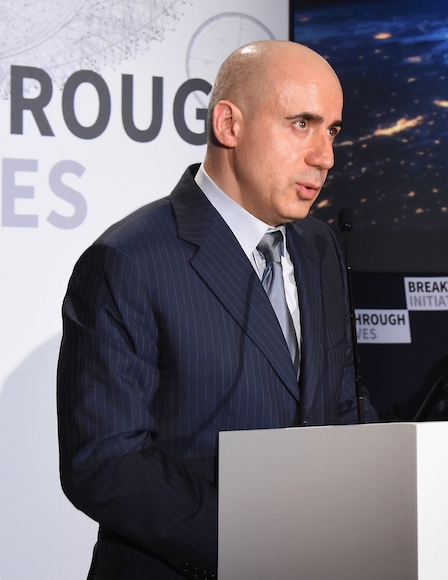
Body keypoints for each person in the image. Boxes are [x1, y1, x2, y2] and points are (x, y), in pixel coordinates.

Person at [56, 41, 377, 580]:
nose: (326, 156)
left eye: (333, 131)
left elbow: (341, 405)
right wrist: (252, 545)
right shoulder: (128, 259)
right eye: (302, 124)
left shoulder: (320, 247)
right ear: (228, 125)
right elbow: (106, 461)